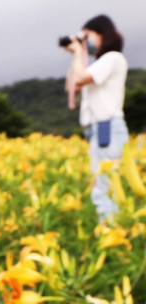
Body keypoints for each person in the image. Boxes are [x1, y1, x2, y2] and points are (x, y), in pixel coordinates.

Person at [65, 15, 128, 223]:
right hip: (99, 131)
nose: (85, 41)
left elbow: (80, 78)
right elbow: (71, 86)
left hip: (106, 129)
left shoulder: (113, 58)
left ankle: (112, 240)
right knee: (103, 188)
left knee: (104, 190)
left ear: (102, 33)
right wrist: (77, 55)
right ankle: (112, 234)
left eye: (87, 35)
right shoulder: (100, 63)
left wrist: (77, 53)